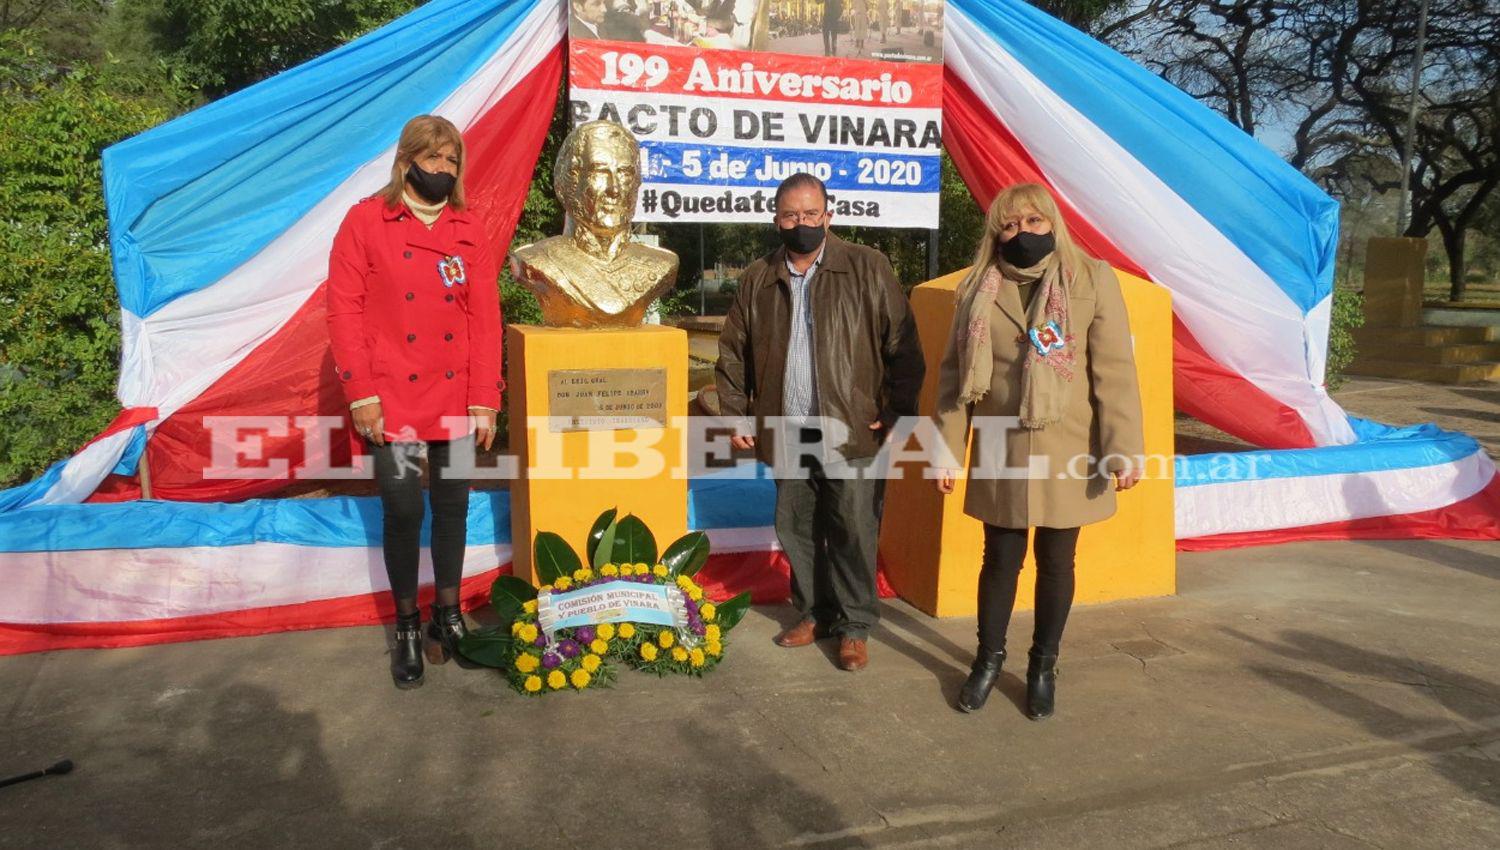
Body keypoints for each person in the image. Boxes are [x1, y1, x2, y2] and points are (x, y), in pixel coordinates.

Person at [934, 182, 1144, 719]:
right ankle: (987, 661)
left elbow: (1115, 372)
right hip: (1001, 444)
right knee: (999, 558)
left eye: (1032, 222)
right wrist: (946, 450)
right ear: (995, 233)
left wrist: (1124, 449)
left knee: (1057, 560)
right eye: (1008, 225)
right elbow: (955, 377)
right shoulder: (977, 286)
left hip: (1068, 444)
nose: (1020, 233)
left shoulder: (1091, 279)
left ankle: (1043, 666)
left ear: (1052, 223)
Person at [715, 173, 924, 672]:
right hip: (788, 428)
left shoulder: (867, 268)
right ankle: (813, 612)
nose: (801, 223)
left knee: (853, 527)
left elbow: (904, 347)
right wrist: (736, 413)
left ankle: (854, 627)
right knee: (797, 526)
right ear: (776, 219)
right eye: (791, 215)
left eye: (811, 214)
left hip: (852, 426)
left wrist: (898, 410)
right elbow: (732, 353)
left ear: (829, 216)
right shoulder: (758, 279)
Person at [326, 115, 503, 690]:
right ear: (406, 161)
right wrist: (362, 395)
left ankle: (446, 616)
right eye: (432, 159)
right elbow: (343, 311)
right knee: (403, 509)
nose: (441, 170)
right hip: (390, 398)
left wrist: (485, 399)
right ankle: (405, 622)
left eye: (451, 162)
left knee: (452, 505)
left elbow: (484, 320)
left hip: (454, 396)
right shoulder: (365, 221)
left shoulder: (467, 228)